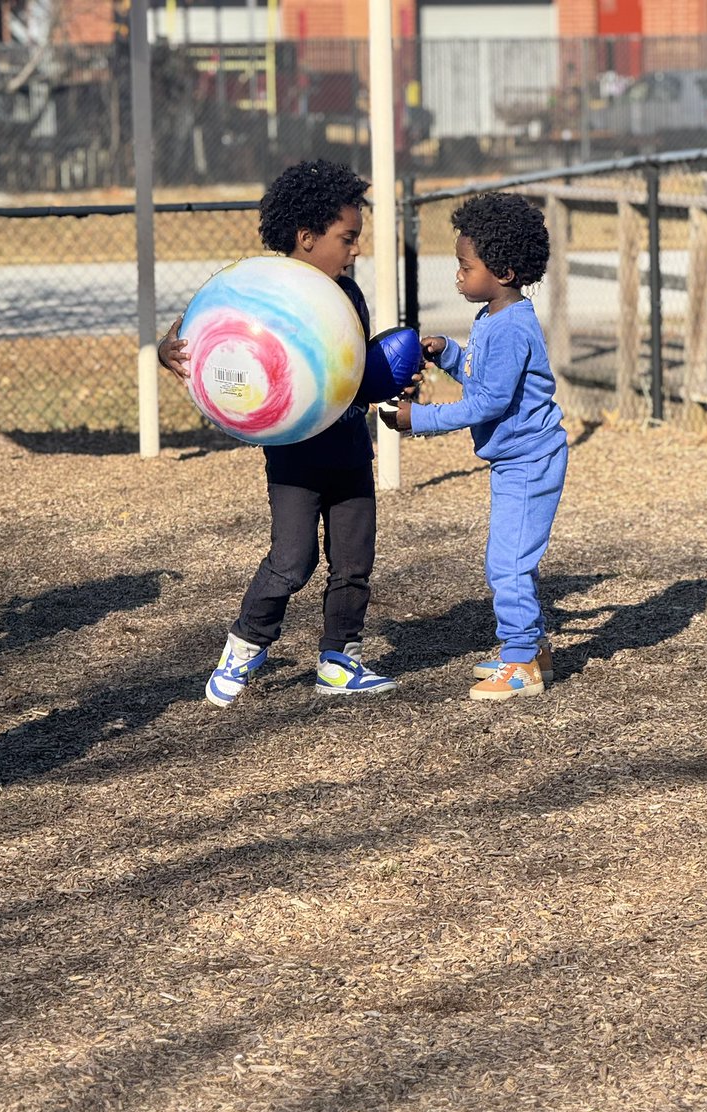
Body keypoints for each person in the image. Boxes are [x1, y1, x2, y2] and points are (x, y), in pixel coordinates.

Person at [159, 160, 397, 706]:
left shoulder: (347, 298)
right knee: (292, 562)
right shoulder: (255, 293)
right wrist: (163, 352)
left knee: (354, 562)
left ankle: (339, 659)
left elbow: (353, 378)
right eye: (348, 238)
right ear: (307, 237)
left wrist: (394, 374)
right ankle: (243, 647)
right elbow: (204, 342)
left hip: (351, 452)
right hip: (294, 460)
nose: (356, 249)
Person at [380, 192, 567, 702]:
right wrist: (449, 353)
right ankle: (533, 649)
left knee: (506, 563)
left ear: (502, 269)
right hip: (517, 459)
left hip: (530, 460)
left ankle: (521, 663)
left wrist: (420, 419)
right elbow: (480, 376)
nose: (457, 275)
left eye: (465, 265)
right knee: (509, 559)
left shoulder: (510, 327)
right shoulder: (494, 316)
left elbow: (485, 403)